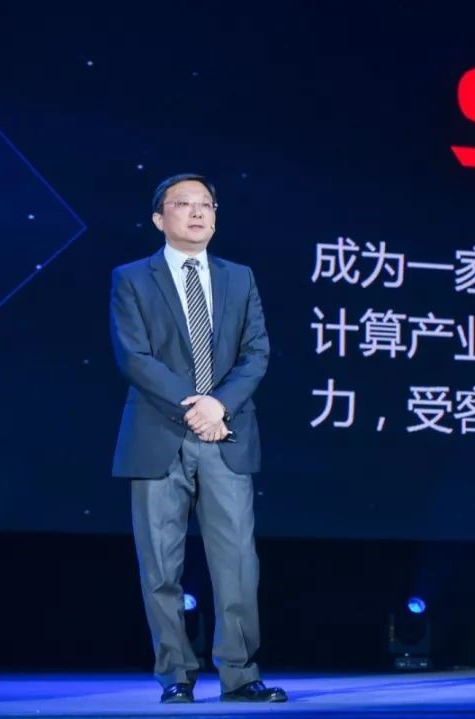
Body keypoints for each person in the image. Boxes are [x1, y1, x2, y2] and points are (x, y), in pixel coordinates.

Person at [109, 173, 286, 704]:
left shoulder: (240, 277)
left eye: (205, 204)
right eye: (182, 204)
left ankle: (240, 675)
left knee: (237, 564)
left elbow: (256, 352)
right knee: (161, 566)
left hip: (226, 434)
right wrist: (196, 407)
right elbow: (134, 357)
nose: (196, 212)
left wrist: (219, 405)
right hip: (158, 434)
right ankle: (176, 676)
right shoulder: (132, 278)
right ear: (158, 218)